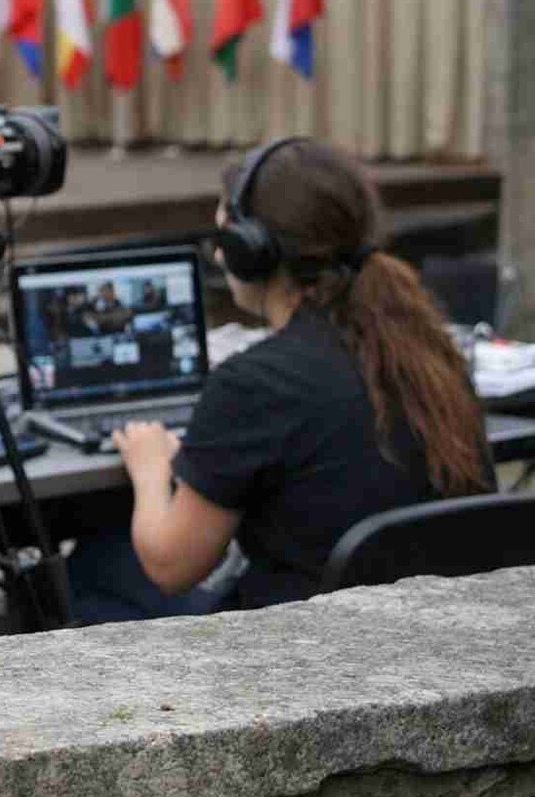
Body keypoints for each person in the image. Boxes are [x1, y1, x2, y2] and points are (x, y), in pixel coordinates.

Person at [66, 138, 493, 622]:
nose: (220, 256)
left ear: (252, 250)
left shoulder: (253, 383)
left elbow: (170, 566)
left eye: (224, 237)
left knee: (89, 565)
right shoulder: (432, 353)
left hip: (299, 644)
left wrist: (150, 469)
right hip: (429, 631)